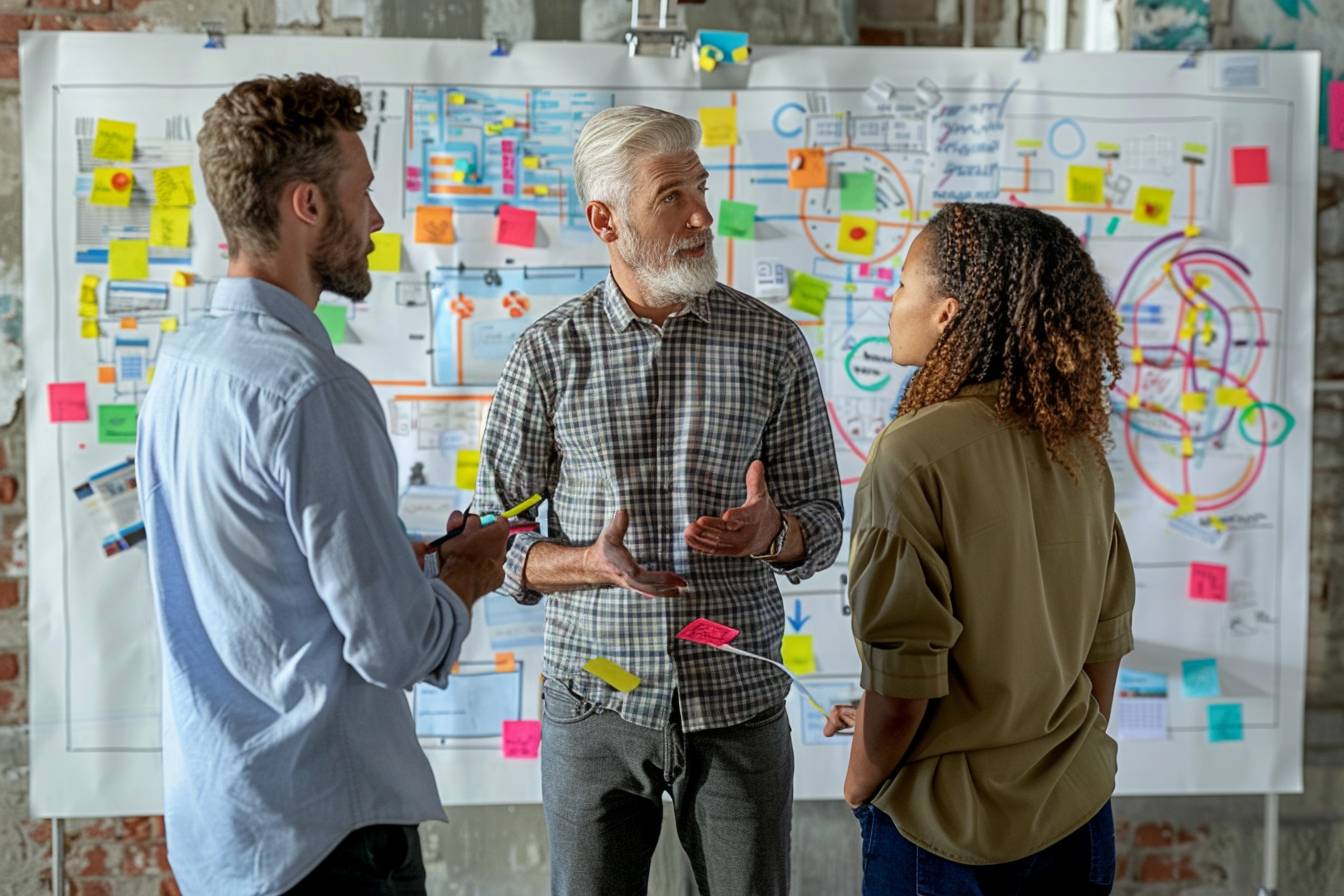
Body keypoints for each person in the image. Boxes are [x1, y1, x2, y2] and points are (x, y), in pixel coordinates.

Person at [136, 74, 508, 896]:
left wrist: (398, 565)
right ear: (308, 206)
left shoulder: (182, 366)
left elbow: (255, 573)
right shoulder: (314, 391)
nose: (376, 221)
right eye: (363, 193)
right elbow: (393, 648)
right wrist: (467, 576)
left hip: (227, 832)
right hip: (328, 843)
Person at [474, 105, 844, 896]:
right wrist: (584, 563)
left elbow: (824, 523)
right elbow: (484, 544)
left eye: (701, 189)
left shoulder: (773, 344)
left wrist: (774, 532)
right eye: (671, 196)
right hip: (594, 706)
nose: (702, 215)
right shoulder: (546, 353)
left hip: (737, 704)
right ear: (605, 220)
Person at [825, 202, 1135, 895]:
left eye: (904, 282)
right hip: (1074, 811)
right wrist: (1045, 744)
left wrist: (858, 782)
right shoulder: (1076, 445)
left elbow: (905, 684)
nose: (892, 299)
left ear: (946, 312)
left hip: (947, 831)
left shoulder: (912, 454)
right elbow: (1104, 643)